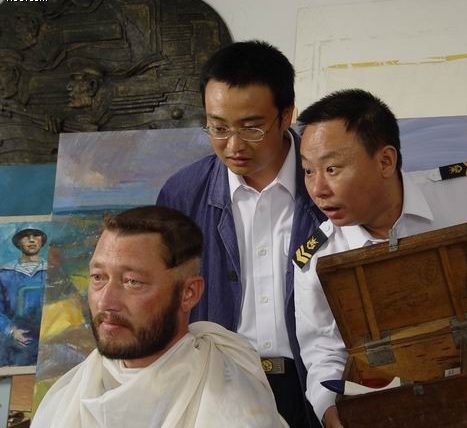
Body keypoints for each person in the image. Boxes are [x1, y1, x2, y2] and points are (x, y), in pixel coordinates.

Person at [293, 89, 467, 428]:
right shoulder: (318, 257)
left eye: (332, 169)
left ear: (385, 161)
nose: (317, 189)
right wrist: (328, 409)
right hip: (392, 415)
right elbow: (322, 349)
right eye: (308, 171)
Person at [157, 40, 324, 427]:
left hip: (316, 384)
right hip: (220, 391)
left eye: (251, 128)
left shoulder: (326, 186)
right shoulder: (183, 195)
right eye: (218, 128)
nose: (233, 146)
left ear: (286, 115)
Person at [32, 206, 286, 428]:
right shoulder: (63, 401)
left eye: (132, 281)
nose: (106, 302)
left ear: (188, 293)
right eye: (98, 277)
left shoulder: (234, 410)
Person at [0, 227, 47, 366]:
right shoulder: (5, 274)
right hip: (16, 340)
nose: (32, 240)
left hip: (49, 338)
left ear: (42, 240)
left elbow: (68, 305)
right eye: (26, 236)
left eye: (36, 235)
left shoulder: (54, 271)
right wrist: (11, 331)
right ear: (18, 242)